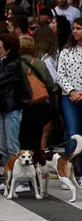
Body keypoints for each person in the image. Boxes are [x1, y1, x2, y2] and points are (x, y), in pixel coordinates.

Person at [0, 34, 26, 193]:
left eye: (0, 46)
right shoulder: (5, 61)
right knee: (2, 146)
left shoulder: (14, 64)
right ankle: (8, 179)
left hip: (13, 108)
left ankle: (22, 181)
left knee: (12, 145)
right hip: (3, 108)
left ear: (8, 49)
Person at [57, 17, 82, 177]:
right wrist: (72, 91)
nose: (75, 31)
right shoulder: (66, 51)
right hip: (69, 97)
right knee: (72, 133)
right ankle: (69, 172)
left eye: (79, 28)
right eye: (74, 28)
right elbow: (60, 75)